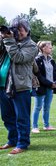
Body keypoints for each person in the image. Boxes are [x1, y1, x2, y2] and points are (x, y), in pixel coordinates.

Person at [0, 17, 38, 155]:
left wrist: (9, 40)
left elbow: (18, 58)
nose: (18, 32)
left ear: (27, 30)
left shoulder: (32, 46)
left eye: (20, 29)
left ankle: (22, 143)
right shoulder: (9, 41)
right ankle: (12, 140)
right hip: (3, 85)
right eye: (15, 29)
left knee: (21, 117)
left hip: (20, 86)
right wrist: (3, 37)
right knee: (7, 116)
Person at [31, 41, 56, 133]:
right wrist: (50, 83)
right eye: (50, 47)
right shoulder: (37, 59)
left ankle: (46, 125)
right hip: (40, 86)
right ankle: (34, 127)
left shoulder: (51, 59)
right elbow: (38, 75)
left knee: (47, 107)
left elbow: (55, 73)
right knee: (38, 106)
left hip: (50, 87)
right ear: (43, 48)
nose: (51, 48)